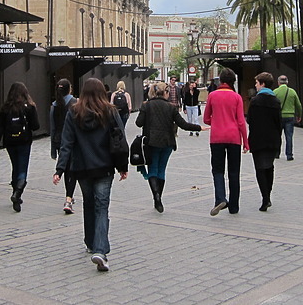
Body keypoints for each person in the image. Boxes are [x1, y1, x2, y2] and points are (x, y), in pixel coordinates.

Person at [53, 78, 128, 272]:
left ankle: (90, 242)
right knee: (101, 207)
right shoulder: (110, 111)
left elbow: (66, 143)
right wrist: (122, 166)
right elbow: (120, 139)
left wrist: (60, 170)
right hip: (104, 167)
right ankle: (100, 250)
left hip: (82, 168)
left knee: (89, 203)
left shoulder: (73, 112)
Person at [135, 82, 205, 212]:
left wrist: (143, 112)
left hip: (151, 142)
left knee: (153, 169)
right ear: (165, 93)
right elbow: (183, 124)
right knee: (161, 170)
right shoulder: (171, 107)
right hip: (167, 143)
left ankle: (156, 197)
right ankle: (159, 197)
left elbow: (138, 123)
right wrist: (199, 127)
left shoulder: (147, 106)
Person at [0, 82, 41, 212]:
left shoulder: (6, 108)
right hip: (24, 142)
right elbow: (36, 126)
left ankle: (15, 193)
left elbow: (0, 127)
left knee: (15, 167)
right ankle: (17, 194)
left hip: (10, 143)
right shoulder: (29, 107)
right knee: (22, 169)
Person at [203, 68, 248, 215]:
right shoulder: (237, 97)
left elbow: (206, 118)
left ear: (220, 80)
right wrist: (246, 141)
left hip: (216, 137)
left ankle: (220, 198)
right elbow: (241, 121)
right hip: (234, 137)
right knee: (234, 172)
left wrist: (216, 122)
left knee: (217, 170)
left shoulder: (212, 95)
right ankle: (234, 207)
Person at [247, 72, 282, 211]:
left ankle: (265, 198)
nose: (255, 86)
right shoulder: (276, 101)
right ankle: (268, 194)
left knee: (260, 169)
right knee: (269, 166)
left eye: (256, 83)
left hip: (258, 139)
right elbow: (279, 123)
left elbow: (250, 120)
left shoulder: (255, 101)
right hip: (272, 139)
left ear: (262, 84)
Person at [50, 78, 78, 214]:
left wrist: (53, 149)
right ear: (70, 89)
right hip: (73, 141)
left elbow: (52, 127)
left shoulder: (54, 105)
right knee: (72, 170)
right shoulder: (75, 103)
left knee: (66, 168)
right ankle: (69, 198)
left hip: (60, 142)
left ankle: (69, 197)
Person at [275, 75, 302, 161]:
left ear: (278, 82)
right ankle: (289, 155)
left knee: (277, 136)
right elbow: (299, 105)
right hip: (290, 117)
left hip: (279, 117)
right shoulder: (292, 92)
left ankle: (276, 153)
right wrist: (299, 115)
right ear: (287, 82)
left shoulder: (275, 92)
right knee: (289, 136)